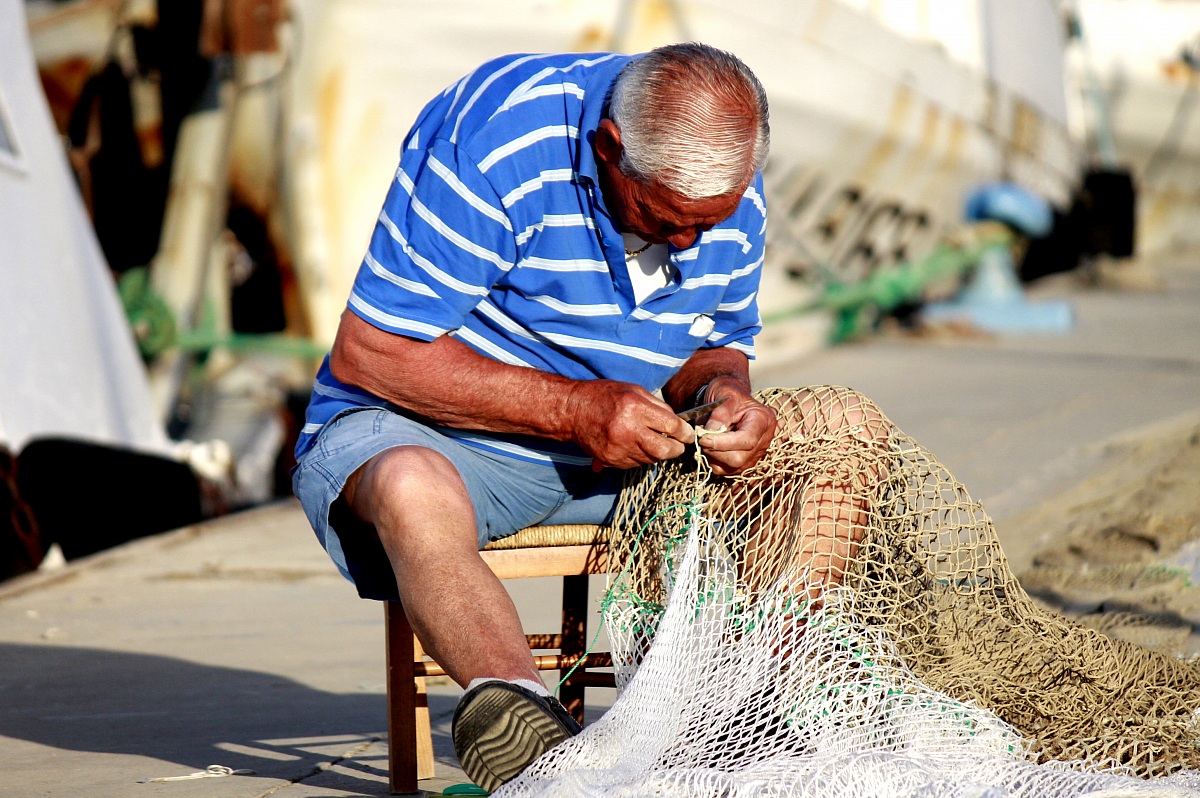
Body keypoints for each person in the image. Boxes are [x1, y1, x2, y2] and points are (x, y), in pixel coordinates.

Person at [291, 42, 777, 791]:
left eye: (709, 222)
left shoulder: (725, 189)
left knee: (838, 441)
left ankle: (759, 707)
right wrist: (575, 409)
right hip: (447, 438)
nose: (690, 242)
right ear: (610, 150)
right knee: (410, 487)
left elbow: (716, 348)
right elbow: (373, 355)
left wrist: (722, 397)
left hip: (632, 449)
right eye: (667, 219)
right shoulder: (498, 136)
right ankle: (526, 727)